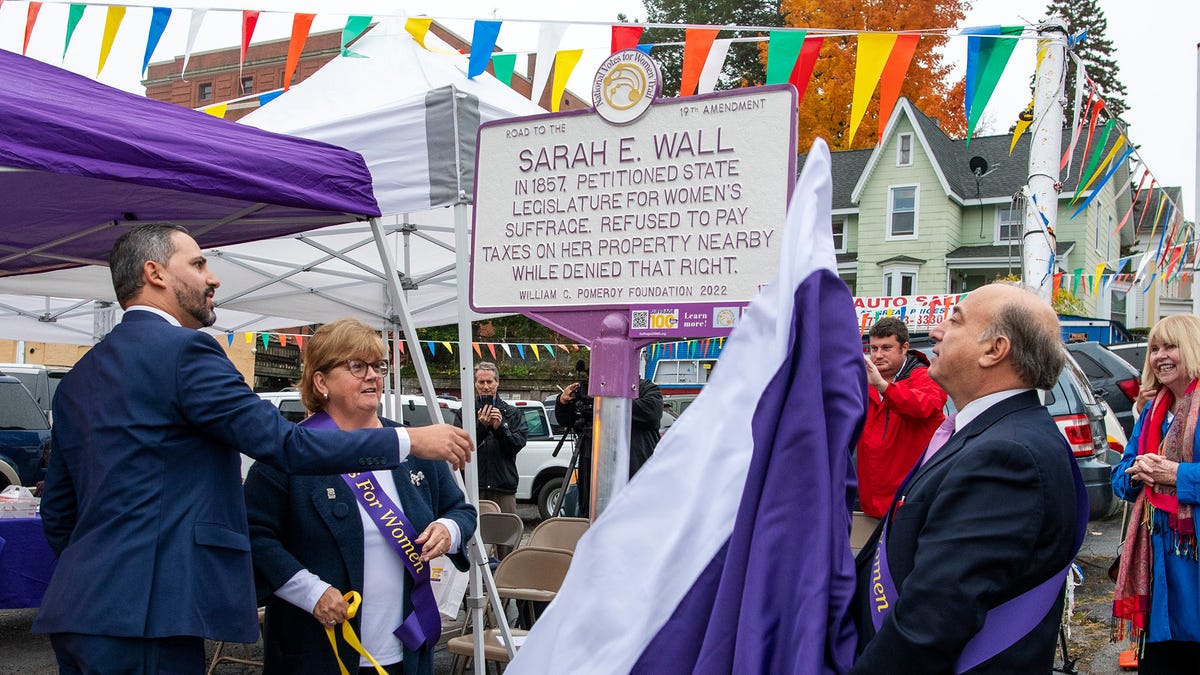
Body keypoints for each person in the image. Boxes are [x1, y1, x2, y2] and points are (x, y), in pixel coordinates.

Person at [33, 224, 472, 674]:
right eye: (199, 263)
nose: (214, 278)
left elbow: (59, 511)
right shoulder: (188, 353)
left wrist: (95, 573)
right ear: (155, 273)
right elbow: (287, 444)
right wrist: (409, 440)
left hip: (79, 607)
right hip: (149, 613)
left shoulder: (79, 376)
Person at [851, 284, 1081, 673]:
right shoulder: (992, 432)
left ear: (995, 350)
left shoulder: (1008, 456)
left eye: (954, 320)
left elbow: (931, 623)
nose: (937, 331)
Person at [245, 318, 477, 675]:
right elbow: (253, 535)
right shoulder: (290, 453)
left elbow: (461, 511)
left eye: (377, 365)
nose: (372, 375)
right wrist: (310, 592)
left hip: (406, 649)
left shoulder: (412, 445)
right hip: (318, 651)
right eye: (357, 366)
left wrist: (448, 529)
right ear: (321, 382)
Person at [1112, 314, 1200, 672]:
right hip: (1156, 570)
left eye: (1170, 346)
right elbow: (1122, 476)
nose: (1160, 356)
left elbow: (1176, 475)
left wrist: (1177, 474)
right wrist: (1137, 475)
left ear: (1192, 349)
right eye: (1154, 349)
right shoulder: (1152, 410)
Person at [857, 317, 948, 517]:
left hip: (910, 507)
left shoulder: (927, 378)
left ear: (904, 347)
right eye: (874, 348)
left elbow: (923, 406)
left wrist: (883, 386)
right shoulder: (863, 383)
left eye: (886, 348)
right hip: (870, 507)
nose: (878, 355)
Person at [556, 376, 662, 518]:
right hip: (594, 479)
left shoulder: (645, 388)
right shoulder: (594, 390)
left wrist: (607, 402)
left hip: (634, 474)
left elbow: (651, 413)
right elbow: (567, 420)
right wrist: (563, 402)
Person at [455, 362, 528, 517]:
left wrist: (500, 428)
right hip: (474, 486)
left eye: (490, 382)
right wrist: (481, 426)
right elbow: (460, 446)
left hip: (503, 487)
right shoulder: (465, 413)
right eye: (481, 382)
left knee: (505, 538)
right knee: (472, 536)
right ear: (475, 384)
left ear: (497, 383)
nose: (486, 387)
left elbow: (516, 445)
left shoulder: (512, 413)